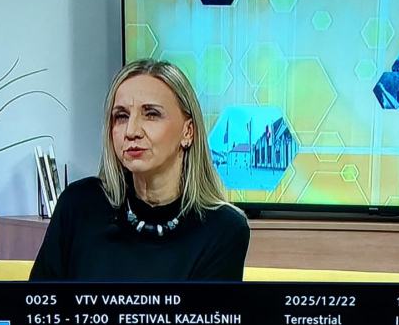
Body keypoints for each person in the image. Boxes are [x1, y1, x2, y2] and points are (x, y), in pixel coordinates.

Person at [30, 59, 250, 282]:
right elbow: (37, 302)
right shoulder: (78, 205)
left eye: (151, 114)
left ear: (188, 131)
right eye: (121, 116)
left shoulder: (224, 228)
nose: (131, 131)